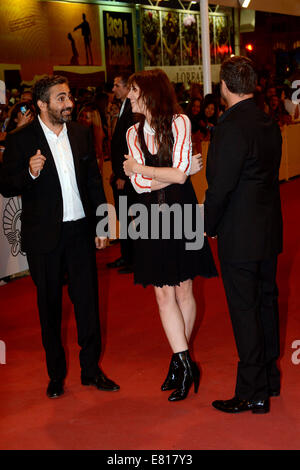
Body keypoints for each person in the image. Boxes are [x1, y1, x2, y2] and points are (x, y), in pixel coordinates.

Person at [2, 75, 119, 399]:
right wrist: (30, 171)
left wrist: (101, 225)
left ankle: (91, 370)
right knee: (49, 308)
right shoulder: (21, 140)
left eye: (68, 97)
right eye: (60, 98)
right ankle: (56, 375)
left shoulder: (82, 134)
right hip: (44, 237)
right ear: (42, 104)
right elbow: (6, 184)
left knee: (88, 305)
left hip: (80, 231)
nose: (68, 104)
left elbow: (95, 182)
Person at [123, 69, 217, 402]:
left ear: (150, 92)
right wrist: (171, 174)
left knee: (184, 287)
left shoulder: (180, 122)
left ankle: (179, 361)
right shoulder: (132, 133)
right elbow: (142, 185)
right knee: (163, 294)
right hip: (150, 216)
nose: (129, 96)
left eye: (134, 90)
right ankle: (185, 361)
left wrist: (144, 170)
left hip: (182, 210)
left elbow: (175, 176)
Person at [204, 56, 283, 414]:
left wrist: (208, 224)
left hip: (240, 232)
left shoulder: (230, 126)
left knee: (245, 310)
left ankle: (253, 391)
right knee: (265, 302)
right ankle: (269, 378)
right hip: (268, 228)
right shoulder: (268, 121)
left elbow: (220, 187)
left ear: (225, 86)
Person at [107, 73, 136, 274]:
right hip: (119, 173)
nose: (113, 89)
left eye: (117, 85)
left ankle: (133, 259)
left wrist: (122, 175)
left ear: (127, 87)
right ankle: (127, 255)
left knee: (130, 217)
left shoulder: (132, 109)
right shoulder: (123, 107)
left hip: (126, 177)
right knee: (124, 217)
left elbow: (129, 145)